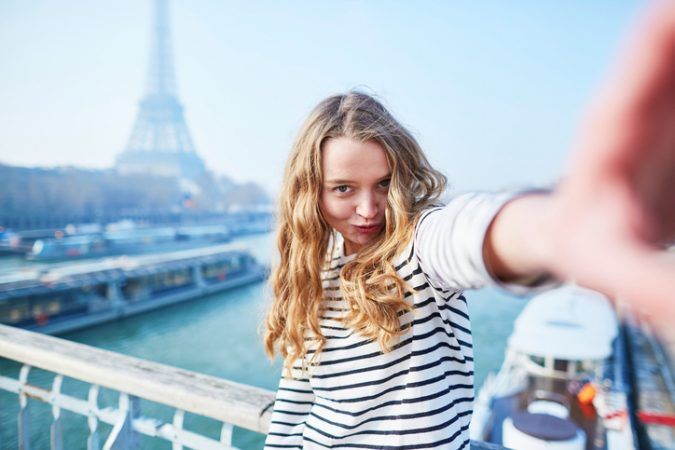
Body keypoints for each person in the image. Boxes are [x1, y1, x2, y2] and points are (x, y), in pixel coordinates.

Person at [263, 2, 675, 448]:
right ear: (311, 193)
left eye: (383, 183)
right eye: (343, 189)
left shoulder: (417, 246)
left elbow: (467, 234)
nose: (368, 209)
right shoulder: (311, 270)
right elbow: (295, 402)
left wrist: (558, 228)